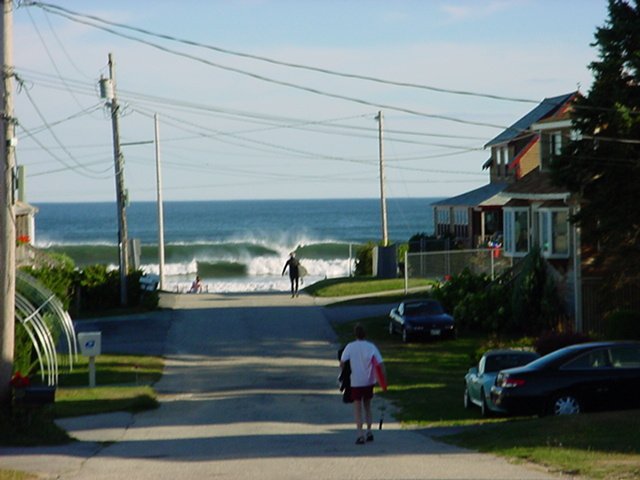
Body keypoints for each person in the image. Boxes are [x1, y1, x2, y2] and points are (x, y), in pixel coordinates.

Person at [339, 323, 385, 445]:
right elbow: (380, 364)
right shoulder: (371, 347)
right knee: (368, 407)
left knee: (357, 409)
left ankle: (360, 435)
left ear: (355, 334)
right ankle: (369, 431)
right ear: (365, 334)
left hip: (355, 382)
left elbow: (342, 362)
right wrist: (383, 380)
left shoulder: (350, 346)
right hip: (368, 382)